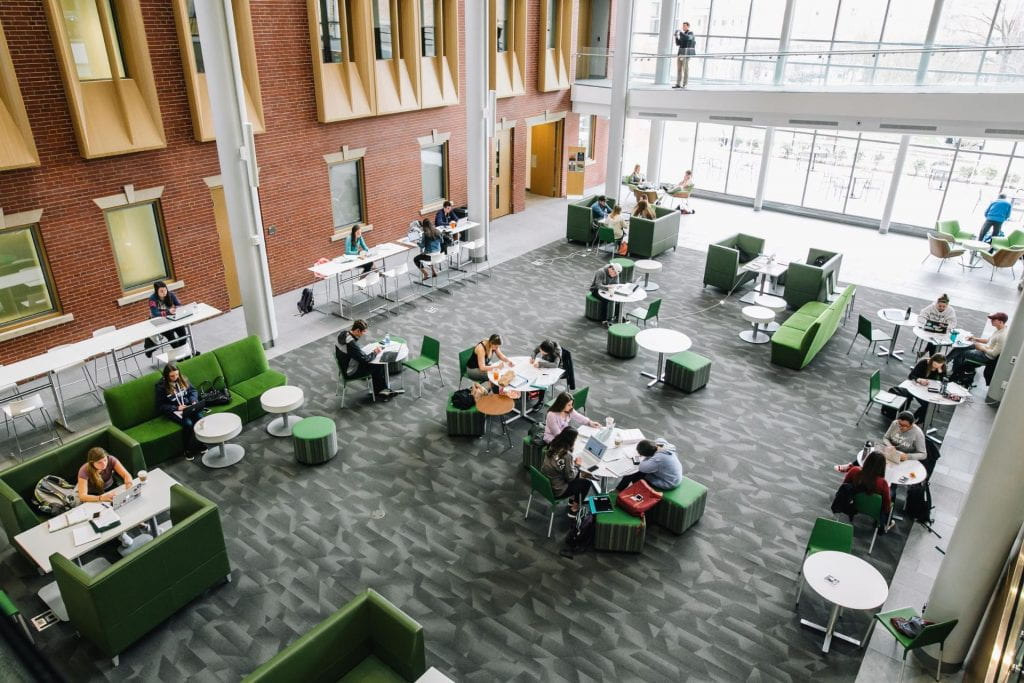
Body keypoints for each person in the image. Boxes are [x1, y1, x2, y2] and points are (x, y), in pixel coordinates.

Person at [156, 362, 205, 460]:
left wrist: (193, 400)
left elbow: (193, 391)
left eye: (177, 374)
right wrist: (176, 408)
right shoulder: (161, 386)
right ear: (166, 376)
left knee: (200, 418)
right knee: (188, 424)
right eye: (172, 376)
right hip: (175, 410)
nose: (176, 377)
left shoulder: (182, 379)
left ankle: (200, 443)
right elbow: (160, 406)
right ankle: (187, 449)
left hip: (188, 406)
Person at [540, 427, 594, 516]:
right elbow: (570, 478)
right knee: (586, 483)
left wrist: (572, 466)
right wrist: (577, 465)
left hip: (546, 482)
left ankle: (572, 500)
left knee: (577, 474)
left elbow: (559, 464)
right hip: (557, 489)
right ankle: (574, 509)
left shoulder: (553, 444)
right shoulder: (567, 455)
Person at [335, 319, 392, 400]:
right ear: (358, 330)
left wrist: (360, 353)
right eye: (363, 332)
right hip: (350, 371)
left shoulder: (342, 334)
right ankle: (382, 392)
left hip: (344, 364)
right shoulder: (351, 344)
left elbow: (353, 352)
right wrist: (375, 352)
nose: (363, 334)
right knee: (378, 364)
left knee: (371, 361)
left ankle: (381, 390)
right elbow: (365, 359)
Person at [839, 451, 894, 532]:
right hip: (874, 510)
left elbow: (844, 487)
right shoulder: (883, 483)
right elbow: (886, 506)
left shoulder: (854, 471)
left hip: (853, 504)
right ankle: (887, 523)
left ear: (867, 461)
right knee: (893, 492)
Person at [948, 312, 1008, 384]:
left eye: (994, 320)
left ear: (1000, 322)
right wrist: (974, 339)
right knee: (961, 347)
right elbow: (988, 341)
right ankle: (947, 362)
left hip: (986, 357)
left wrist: (981, 348)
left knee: (960, 352)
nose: (991, 321)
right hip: (984, 349)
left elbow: (994, 354)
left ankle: (954, 372)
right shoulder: (998, 330)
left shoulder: (1002, 336)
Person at [615, 438, 683, 492]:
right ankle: (624, 488)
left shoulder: (658, 459)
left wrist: (644, 458)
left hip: (668, 482)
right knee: (636, 471)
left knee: (634, 472)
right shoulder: (662, 444)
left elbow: (642, 467)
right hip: (674, 476)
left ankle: (622, 490)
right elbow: (658, 440)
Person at [147, 280, 188, 355]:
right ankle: (181, 354)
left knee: (183, 334)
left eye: (165, 290)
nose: (164, 292)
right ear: (156, 292)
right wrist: (168, 312)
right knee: (171, 338)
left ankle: (183, 352)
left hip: (173, 319)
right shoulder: (152, 299)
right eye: (161, 291)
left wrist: (176, 308)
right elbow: (155, 313)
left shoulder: (171, 294)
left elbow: (179, 305)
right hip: (161, 322)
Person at [908, 354, 949, 424]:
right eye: (935, 364)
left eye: (940, 364)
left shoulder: (942, 367)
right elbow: (911, 376)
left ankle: (918, 420)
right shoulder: (923, 363)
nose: (937, 366)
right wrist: (919, 380)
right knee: (928, 405)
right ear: (932, 360)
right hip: (918, 388)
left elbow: (944, 381)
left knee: (930, 405)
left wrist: (941, 373)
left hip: (930, 389)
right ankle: (915, 419)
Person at [673, 22, 696, 89]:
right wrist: (676, 36)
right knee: (679, 69)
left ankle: (685, 84)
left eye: (685, 26)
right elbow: (678, 43)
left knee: (685, 69)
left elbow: (688, 38)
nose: (683, 27)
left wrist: (680, 33)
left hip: (686, 54)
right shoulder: (683, 34)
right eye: (683, 26)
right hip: (680, 53)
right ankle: (678, 83)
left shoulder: (690, 33)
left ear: (688, 26)